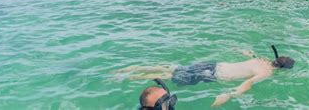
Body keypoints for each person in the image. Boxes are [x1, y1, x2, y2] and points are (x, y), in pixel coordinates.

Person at [116, 45, 294, 107]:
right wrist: (229, 95)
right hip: (213, 75)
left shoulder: (262, 60)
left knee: (171, 69)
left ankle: (134, 68)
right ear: (281, 69)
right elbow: (247, 84)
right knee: (170, 77)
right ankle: (134, 78)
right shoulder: (267, 72)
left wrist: (241, 50)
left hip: (213, 64)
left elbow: (248, 53)